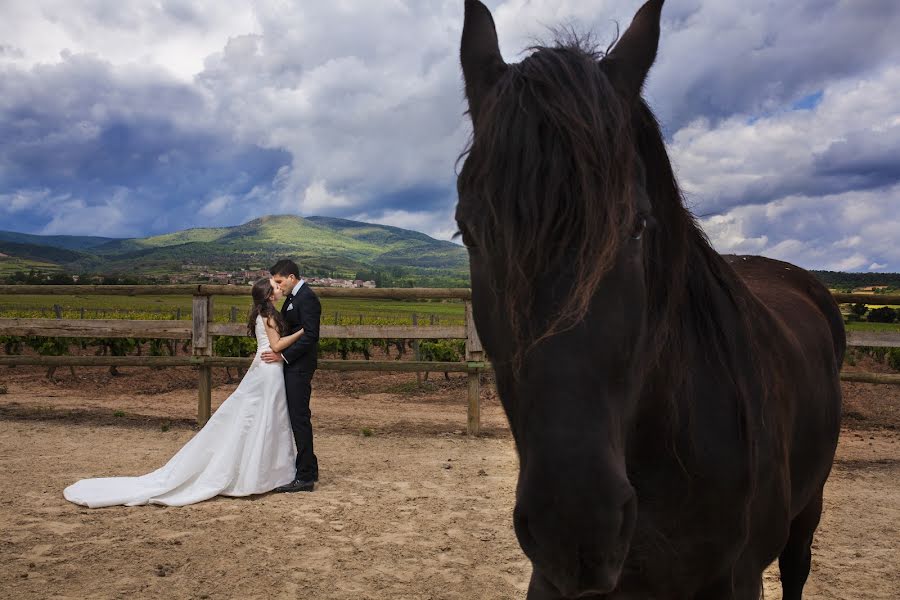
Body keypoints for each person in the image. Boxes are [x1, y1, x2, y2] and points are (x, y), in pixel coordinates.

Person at [63, 278, 303, 508]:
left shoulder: (263, 313)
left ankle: (262, 472)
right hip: (269, 370)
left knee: (263, 417)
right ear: (270, 295)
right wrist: (302, 333)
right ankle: (263, 473)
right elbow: (276, 346)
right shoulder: (269, 315)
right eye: (275, 286)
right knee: (266, 418)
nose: (280, 287)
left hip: (266, 368)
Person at [264, 259, 321, 493]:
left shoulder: (307, 298)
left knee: (299, 418)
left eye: (279, 281)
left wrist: (283, 356)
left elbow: (310, 335)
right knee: (297, 417)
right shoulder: (292, 299)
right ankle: (311, 468)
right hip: (292, 365)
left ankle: (305, 477)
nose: (278, 286)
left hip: (299, 366)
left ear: (291, 277)